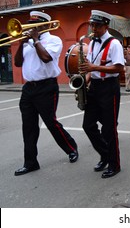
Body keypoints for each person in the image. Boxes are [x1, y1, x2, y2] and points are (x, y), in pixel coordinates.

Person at [14, 11, 78, 176]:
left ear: (45, 25)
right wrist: (22, 43)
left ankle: (71, 148)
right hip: (29, 88)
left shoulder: (53, 40)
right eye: (30, 24)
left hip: (46, 87)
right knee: (28, 127)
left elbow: (46, 58)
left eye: (34, 24)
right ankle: (30, 162)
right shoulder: (27, 42)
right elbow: (17, 62)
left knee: (51, 122)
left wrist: (35, 40)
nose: (31, 27)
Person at [79, 10, 124, 178]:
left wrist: (94, 68)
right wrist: (84, 82)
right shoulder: (92, 43)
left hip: (109, 87)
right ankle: (105, 154)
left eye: (97, 25)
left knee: (109, 128)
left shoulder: (115, 44)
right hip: (95, 87)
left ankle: (114, 164)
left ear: (106, 26)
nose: (94, 28)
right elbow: (90, 67)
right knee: (88, 125)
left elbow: (119, 68)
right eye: (92, 25)